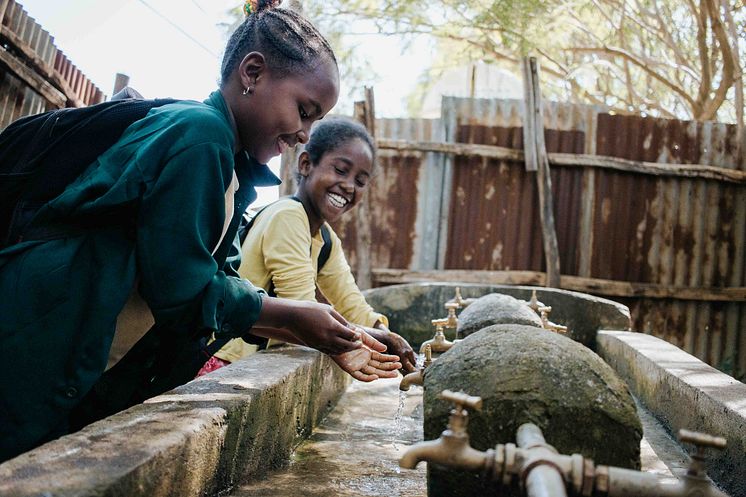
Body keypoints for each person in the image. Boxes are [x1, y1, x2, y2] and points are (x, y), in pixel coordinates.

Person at [0, 1, 399, 462]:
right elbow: (182, 290)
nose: (305, 133)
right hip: (32, 347)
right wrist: (296, 319)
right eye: (304, 111)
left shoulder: (230, 167)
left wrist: (331, 331)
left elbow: (223, 281)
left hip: (65, 363)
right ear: (253, 73)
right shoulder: (199, 137)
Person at [202, 117, 417, 375]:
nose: (349, 186)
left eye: (360, 181)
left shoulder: (325, 238)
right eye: (340, 170)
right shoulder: (287, 216)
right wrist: (380, 341)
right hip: (221, 360)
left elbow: (352, 303)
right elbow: (303, 307)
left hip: (249, 365)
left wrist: (387, 334)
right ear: (306, 164)